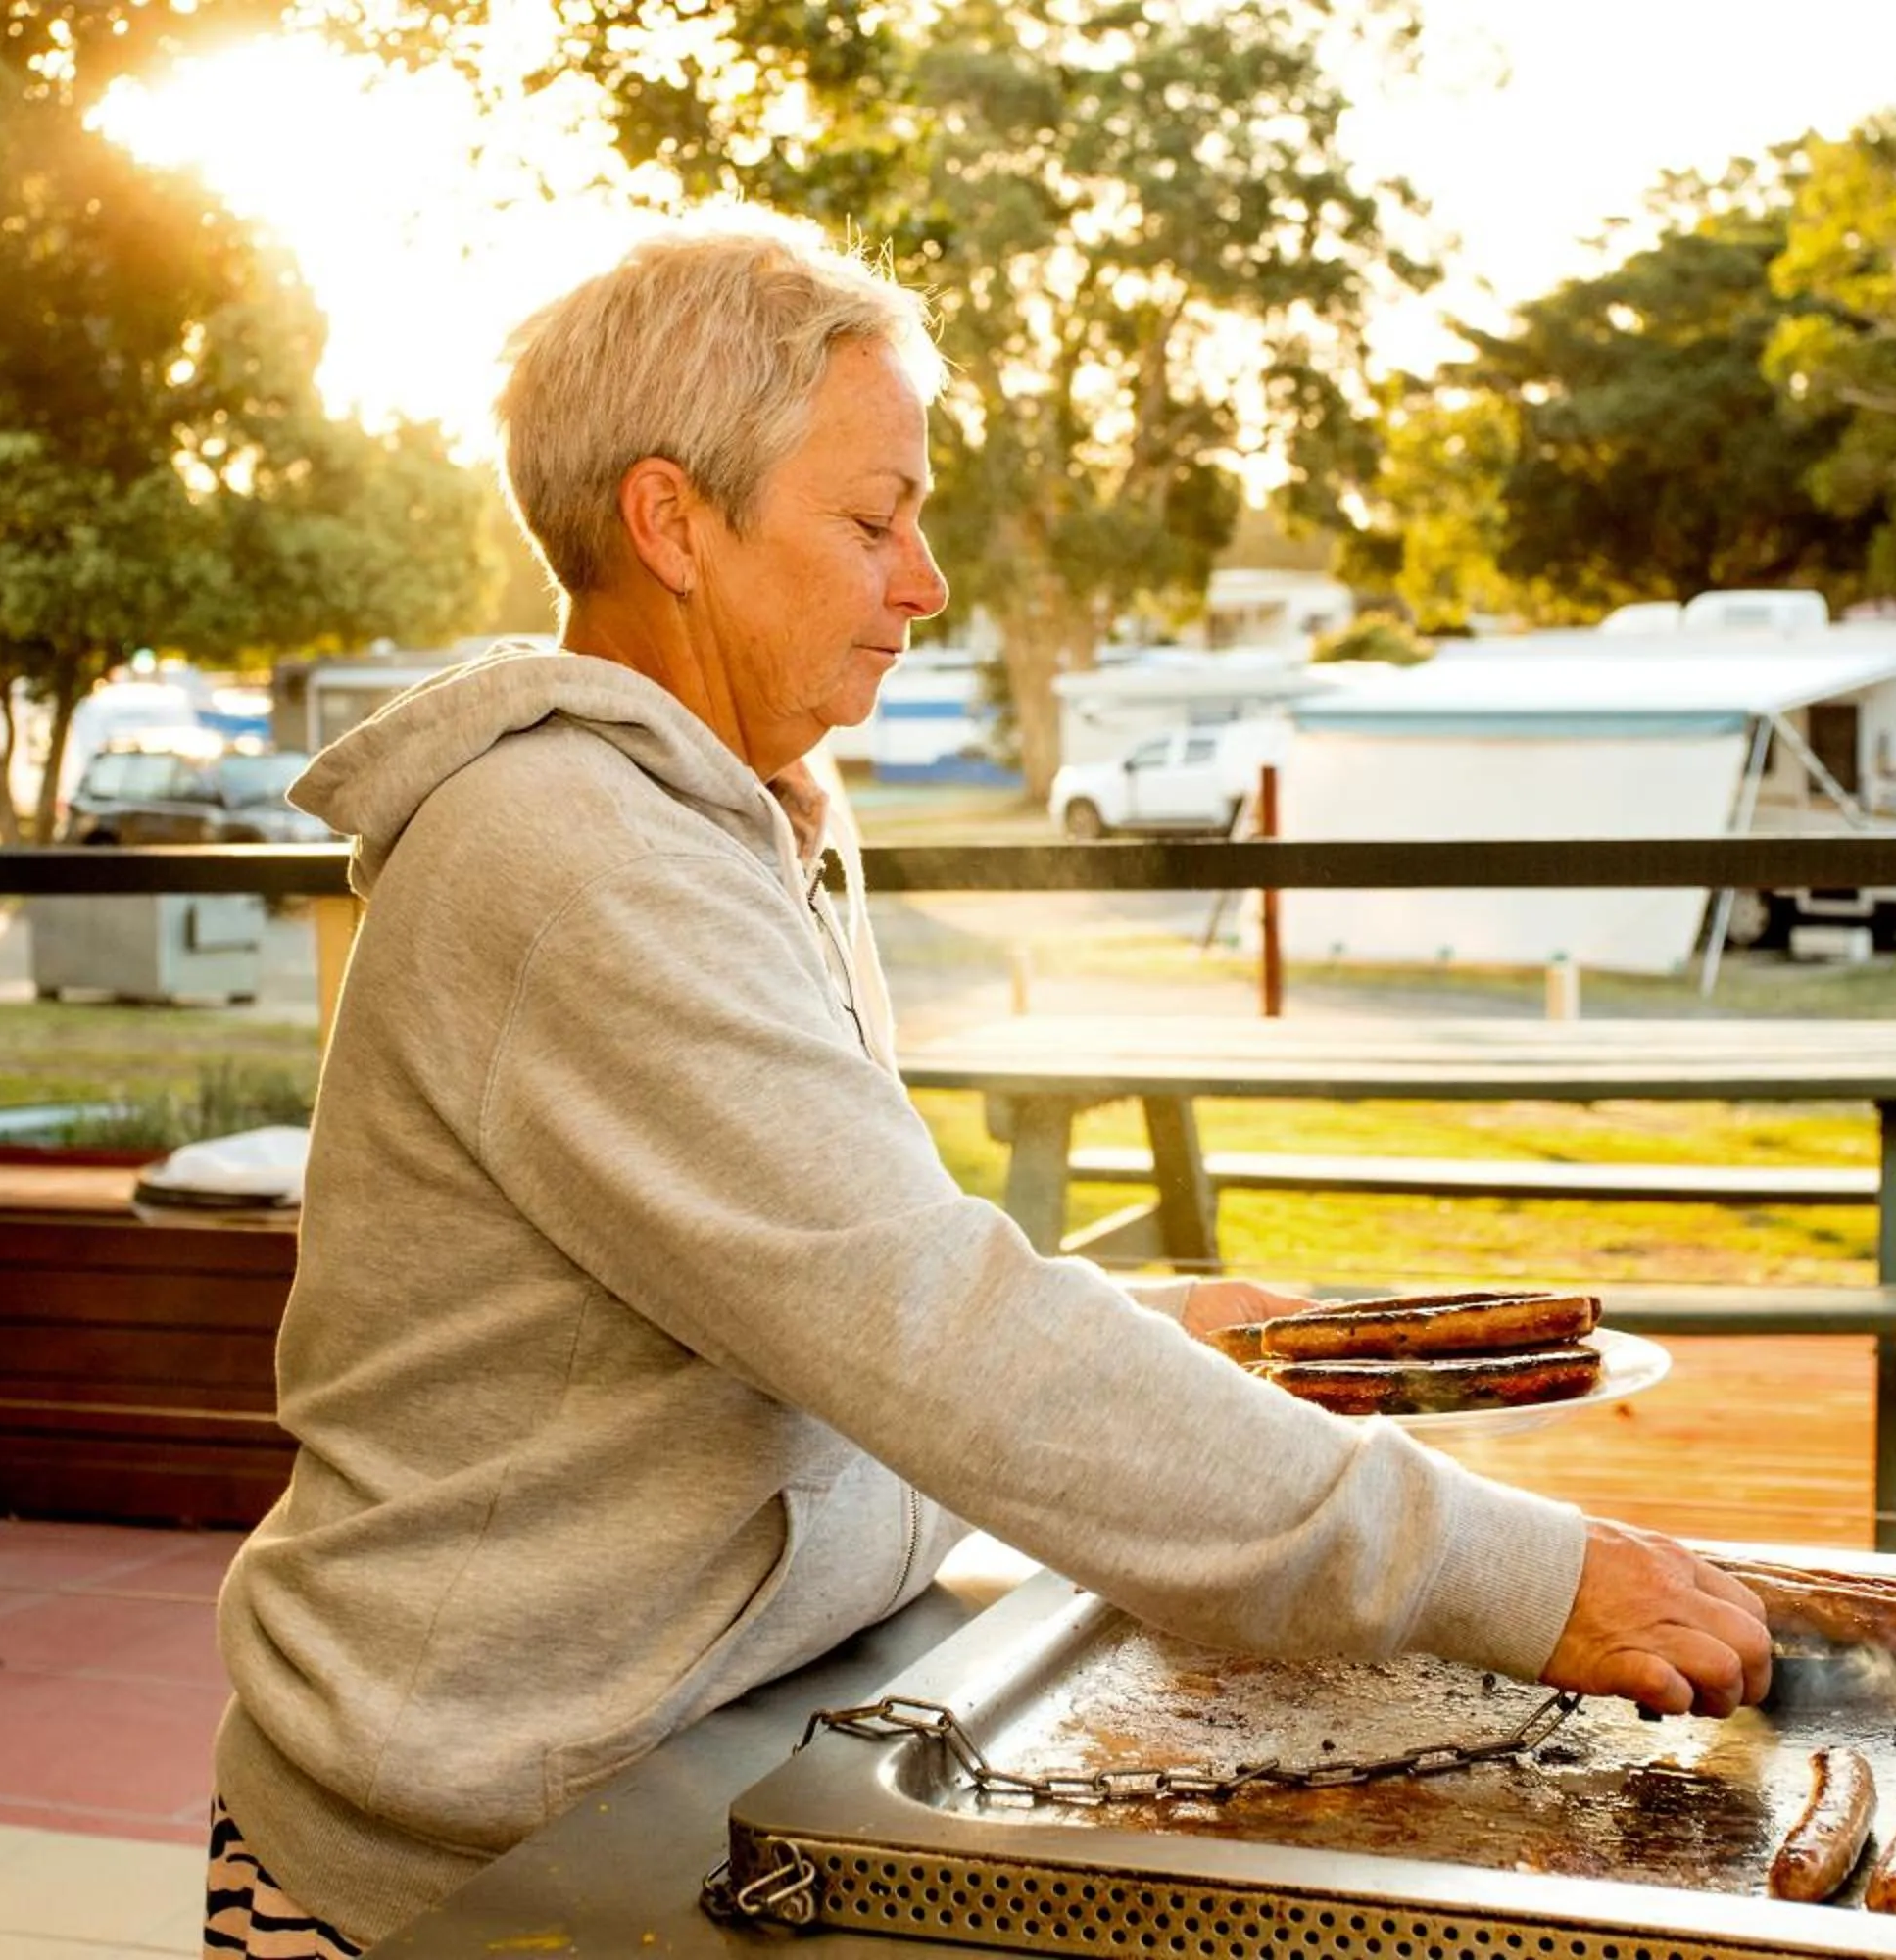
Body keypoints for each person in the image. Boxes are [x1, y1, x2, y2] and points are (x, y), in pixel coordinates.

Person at [203, 221, 1771, 1958]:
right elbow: (928, 1331)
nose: (926, 581)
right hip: (461, 1864)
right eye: (873, 522)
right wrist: (1514, 1576)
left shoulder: (744, 811)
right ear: (673, 524)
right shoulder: (575, 858)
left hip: (680, 1754)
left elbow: (836, 1285)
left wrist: (1158, 1330)